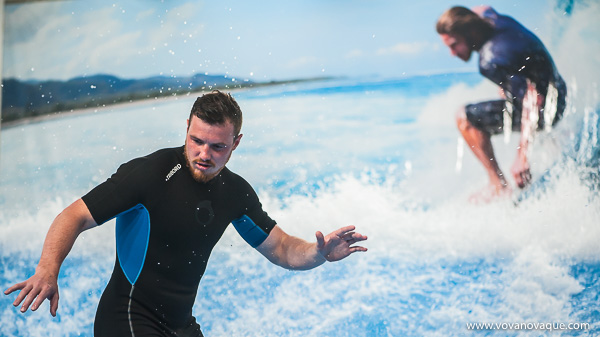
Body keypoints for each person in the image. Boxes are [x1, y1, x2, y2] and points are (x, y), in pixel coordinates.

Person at [4, 90, 368, 336]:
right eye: (196, 141)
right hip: (127, 319)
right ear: (187, 130)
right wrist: (48, 269)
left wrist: (319, 254)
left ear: (236, 143)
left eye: (217, 146)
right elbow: (74, 215)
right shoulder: (150, 173)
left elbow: (283, 248)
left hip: (179, 325)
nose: (204, 154)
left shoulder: (235, 192)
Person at [436, 5, 567, 202]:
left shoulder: (492, 59)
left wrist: (522, 157)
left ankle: (498, 186)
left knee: (464, 117)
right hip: (559, 90)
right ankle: (550, 140)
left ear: (470, 31)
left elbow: (533, 99)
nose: (452, 53)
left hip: (546, 109)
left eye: (454, 44)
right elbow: (483, 7)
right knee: (508, 89)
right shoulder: (489, 19)